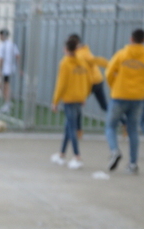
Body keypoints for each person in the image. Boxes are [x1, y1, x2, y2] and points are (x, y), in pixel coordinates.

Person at [104, 28, 144, 174]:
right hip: (138, 98)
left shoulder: (121, 54)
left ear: (131, 39)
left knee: (110, 126)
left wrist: (114, 86)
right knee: (133, 130)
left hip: (119, 95)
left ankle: (115, 150)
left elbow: (109, 71)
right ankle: (133, 164)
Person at [51, 36, 91, 170]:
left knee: (72, 127)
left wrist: (55, 101)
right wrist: (84, 95)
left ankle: (77, 156)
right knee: (68, 126)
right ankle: (61, 154)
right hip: (79, 98)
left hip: (69, 99)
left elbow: (61, 84)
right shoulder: (82, 61)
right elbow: (87, 79)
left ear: (66, 49)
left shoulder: (65, 63)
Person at [74, 34, 110, 115]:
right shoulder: (83, 51)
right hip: (98, 80)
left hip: (92, 82)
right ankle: (123, 121)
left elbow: (97, 60)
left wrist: (111, 65)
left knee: (76, 103)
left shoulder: (81, 54)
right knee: (104, 106)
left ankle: (77, 127)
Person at [0, 28, 21, 113]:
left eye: (0, 35)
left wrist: (0, 70)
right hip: (11, 69)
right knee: (3, 86)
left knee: (4, 86)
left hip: (5, 70)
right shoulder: (12, 44)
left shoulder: (1, 45)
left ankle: (7, 104)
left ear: (3, 35)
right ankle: (8, 101)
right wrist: (17, 67)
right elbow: (18, 56)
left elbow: (1, 59)